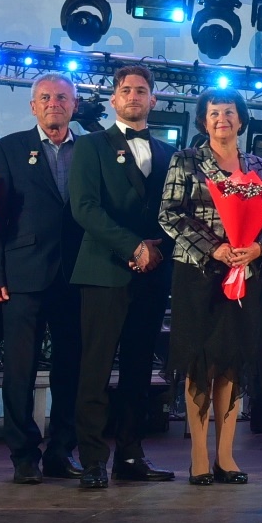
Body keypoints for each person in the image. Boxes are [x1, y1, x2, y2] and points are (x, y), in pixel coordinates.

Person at [157, 87, 262, 486]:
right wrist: (216, 248)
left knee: (231, 360)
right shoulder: (186, 160)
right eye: (214, 113)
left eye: (229, 112)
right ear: (203, 121)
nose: (222, 119)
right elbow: (170, 214)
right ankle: (199, 455)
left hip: (243, 274)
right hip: (197, 273)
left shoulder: (259, 166)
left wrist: (258, 247)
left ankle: (226, 454)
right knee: (199, 362)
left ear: (241, 119)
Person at [69, 65, 176, 489]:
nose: (134, 96)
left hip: (153, 274)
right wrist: (133, 247)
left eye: (142, 90)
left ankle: (131, 455)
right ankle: (93, 459)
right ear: (114, 99)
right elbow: (85, 207)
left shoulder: (170, 152)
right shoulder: (90, 145)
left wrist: (156, 250)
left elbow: (176, 213)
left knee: (139, 370)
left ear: (153, 100)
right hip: (103, 271)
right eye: (126, 90)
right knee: (95, 370)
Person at [0, 73, 85, 484]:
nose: (53, 104)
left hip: (78, 273)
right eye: (45, 97)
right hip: (22, 272)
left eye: (62, 97)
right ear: (33, 106)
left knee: (71, 369)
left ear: (74, 105)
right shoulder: (7, 148)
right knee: (20, 370)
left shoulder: (90, 149)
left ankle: (62, 451)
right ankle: (23, 455)